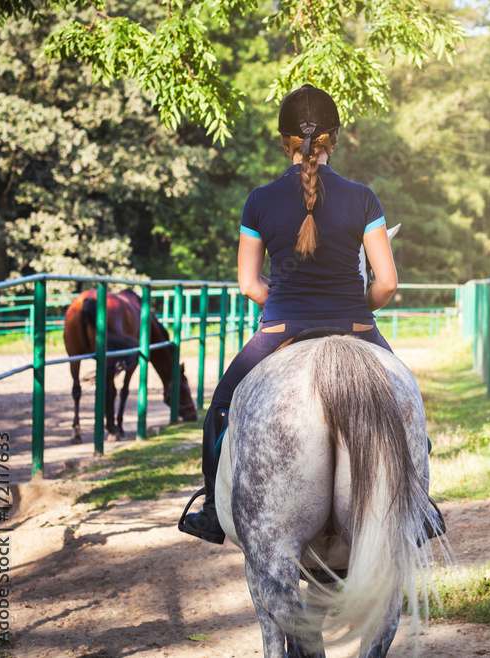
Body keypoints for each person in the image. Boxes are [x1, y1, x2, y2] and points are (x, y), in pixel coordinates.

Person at [179, 84, 441, 544]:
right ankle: (419, 508)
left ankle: (210, 511)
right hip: (357, 326)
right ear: (333, 140)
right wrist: (360, 307)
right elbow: (387, 282)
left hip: (280, 328)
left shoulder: (258, 201)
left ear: (284, 143)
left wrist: (280, 306)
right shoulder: (364, 198)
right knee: (407, 405)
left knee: (221, 407)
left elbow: (249, 284)